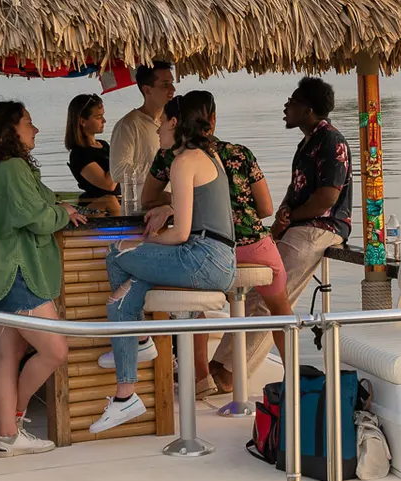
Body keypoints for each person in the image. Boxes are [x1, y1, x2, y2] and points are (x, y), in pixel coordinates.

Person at [90, 91, 237, 433]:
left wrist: (143, 242)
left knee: (116, 252)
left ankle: (140, 341)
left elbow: (182, 233)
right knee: (122, 299)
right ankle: (125, 397)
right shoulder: (206, 155)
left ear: (174, 123)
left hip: (202, 257)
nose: (157, 131)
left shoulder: (183, 161)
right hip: (215, 258)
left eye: (161, 124)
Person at [142, 95, 289, 394]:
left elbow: (147, 199)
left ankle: (200, 378)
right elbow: (265, 208)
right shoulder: (239, 153)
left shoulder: (171, 156)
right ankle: (295, 377)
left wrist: (176, 206)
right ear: (213, 119)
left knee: (192, 302)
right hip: (255, 246)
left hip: (210, 249)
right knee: (281, 310)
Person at [0, 100, 88, 456]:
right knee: (55, 349)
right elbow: (37, 216)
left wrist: (61, 204)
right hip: (18, 274)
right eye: (28, 123)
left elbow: (41, 200)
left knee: (9, 355)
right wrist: (62, 214)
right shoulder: (15, 168)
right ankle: (16, 417)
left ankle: (8, 435)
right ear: (10, 130)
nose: (35, 130)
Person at [271, 76, 351, 313]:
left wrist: (291, 216)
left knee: (270, 299)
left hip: (320, 227)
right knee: (262, 293)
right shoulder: (307, 142)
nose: (286, 106)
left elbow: (327, 198)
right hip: (300, 225)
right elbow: (296, 186)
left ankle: (239, 352)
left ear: (308, 110)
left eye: (292, 101)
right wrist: (284, 212)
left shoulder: (330, 141)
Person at [109, 62, 174, 212]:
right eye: (165, 84)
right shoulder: (128, 125)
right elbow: (118, 172)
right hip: (140, 213)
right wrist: (162, 171)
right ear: (147, 90)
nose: (172, 89)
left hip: (171, 208)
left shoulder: (173, 122)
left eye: (171, 83)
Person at [64, 93, 122, 216]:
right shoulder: (79, 153)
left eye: (103, 116)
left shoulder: (103, 145)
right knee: (110, 200)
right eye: (98, 117)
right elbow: (109, 184)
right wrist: (122, 154)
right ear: (82, 121)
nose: (104, 121)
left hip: (119, 201)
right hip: (96, 208)